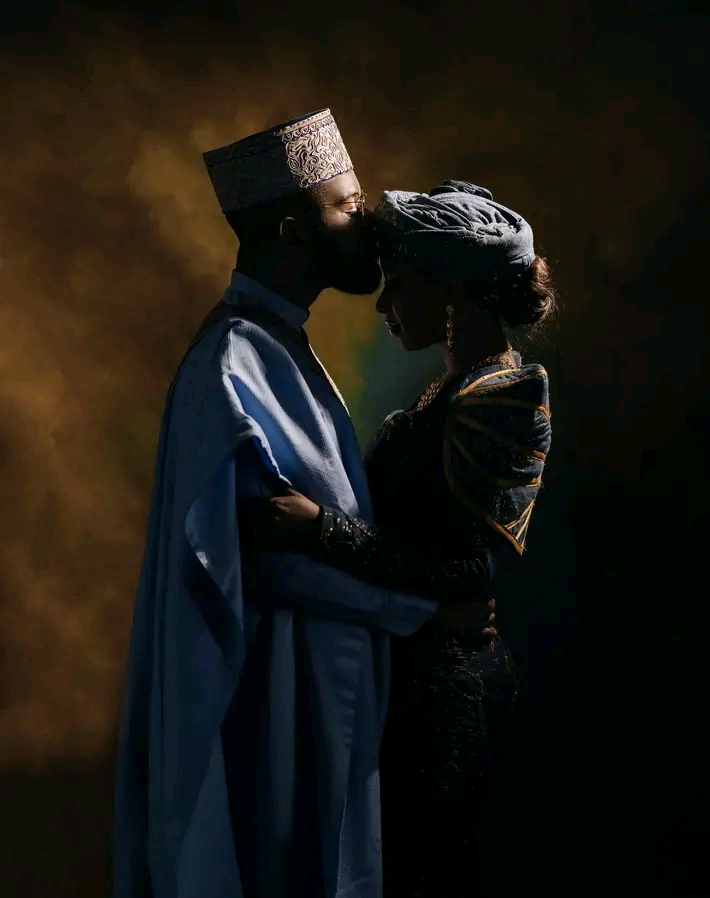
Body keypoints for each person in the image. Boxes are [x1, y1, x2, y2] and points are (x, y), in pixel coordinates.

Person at [111, 111, 477, 898]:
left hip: (320, 690)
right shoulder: (232, 363)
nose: (366, 224)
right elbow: (259, 562)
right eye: (346, 206)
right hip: (276, 699)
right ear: (291, 228)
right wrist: (417, 609)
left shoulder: (277, 343)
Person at [257, 180, 556, 897]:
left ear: (449, 292)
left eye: (398, 284)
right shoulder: (451, 390)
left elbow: (463, 572)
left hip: (448, 692)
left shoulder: (500, 399)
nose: (383, 303)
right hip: (413, 675)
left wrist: (321, 529)